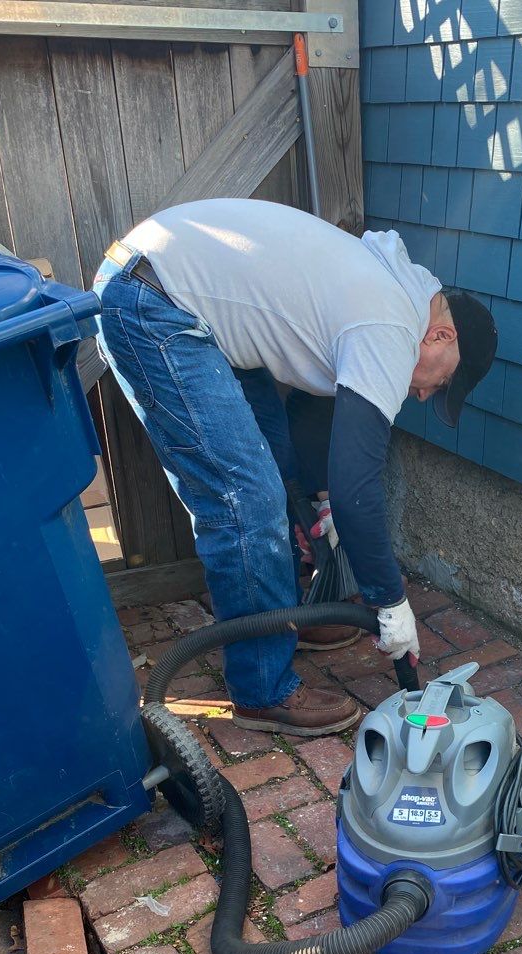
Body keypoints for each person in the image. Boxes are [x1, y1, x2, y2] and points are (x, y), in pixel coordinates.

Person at [93, 199, 497, 737]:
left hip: (171, 289)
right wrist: (389, 600)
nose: (426, 396)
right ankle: (262, 690)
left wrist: (316, 503)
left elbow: (313, 420)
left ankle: (280, 618)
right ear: (442, 337)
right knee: (245, 498)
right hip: (154, 300)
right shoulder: (390, 322)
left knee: (272, 460)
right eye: (442, 383)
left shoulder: (391, 292)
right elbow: (358, 489)